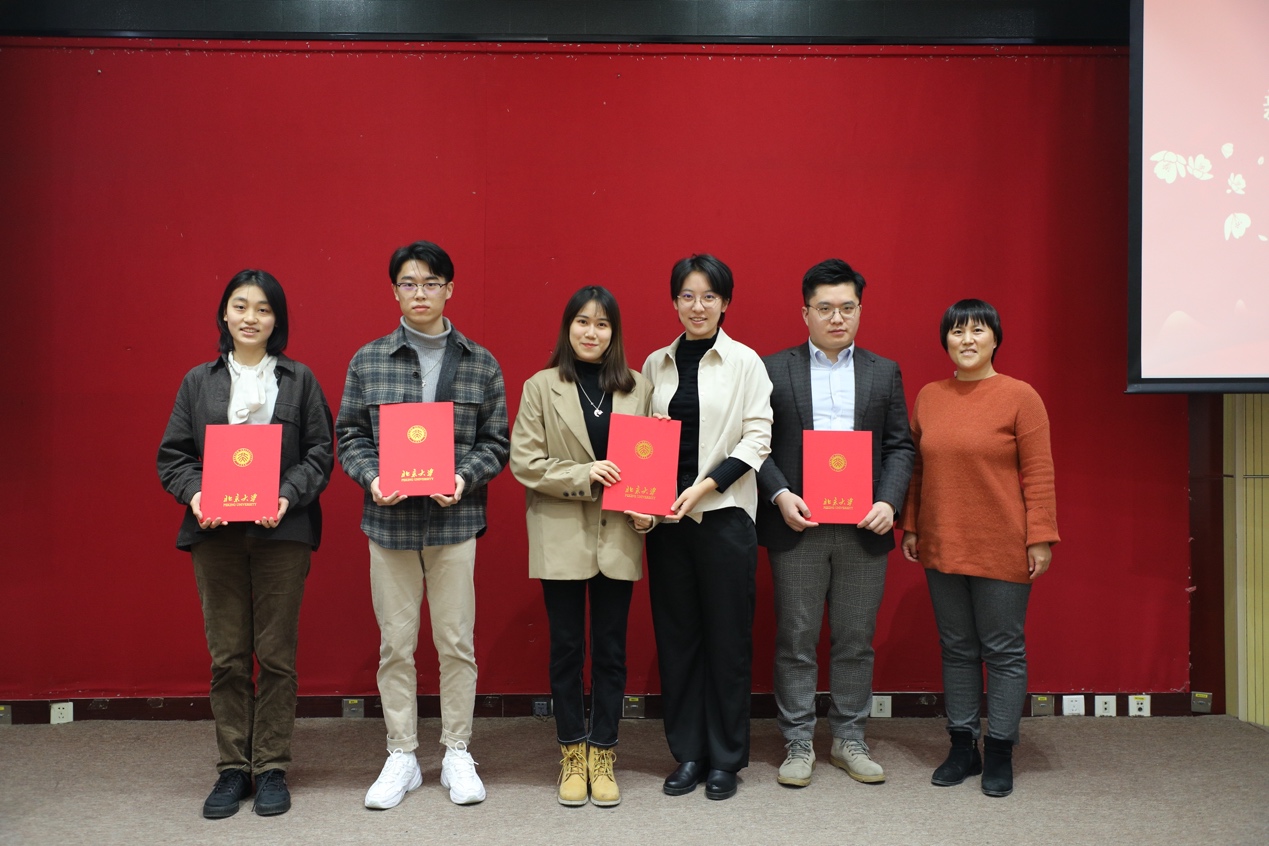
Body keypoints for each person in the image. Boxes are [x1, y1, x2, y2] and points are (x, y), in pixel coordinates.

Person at [336, 240, 509, 809]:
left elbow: (496, 443)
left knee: (456, 642)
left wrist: (462, 477)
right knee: (395, 645)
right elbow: (349, 436)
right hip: (389, 526)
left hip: (455, 522)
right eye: (408, 283)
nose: (420, 293)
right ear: (394, 291)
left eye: (431, 283)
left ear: (449, 289)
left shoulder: (480, 362)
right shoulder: (368, 360)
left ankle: (457, 750)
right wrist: (372, 477)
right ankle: (402, 755)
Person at [158, 269, 334, 819]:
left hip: (283, 532)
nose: (250, 317)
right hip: (216, 536)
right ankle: (233, 767)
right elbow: (174, 456)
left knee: (277, 656)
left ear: (277, 319)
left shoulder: (300, 380)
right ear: (224, 314)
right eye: (240, 306)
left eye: (263, 308)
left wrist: (286, 495)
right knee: (228, 657)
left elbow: (320, 452)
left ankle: (272, 765)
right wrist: (197, 495)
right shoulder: (198, 382)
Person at [755, 258, 914, 787]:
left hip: (864, 527)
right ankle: (798, 741)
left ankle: (849, 738)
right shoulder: (772, 369)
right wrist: (780, 494)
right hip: (797, 524)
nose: (837, 317)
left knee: (855, 639)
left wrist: (889, 502)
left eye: (847, 307)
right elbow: (756, 442)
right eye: (825, 308)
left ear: (860, 310)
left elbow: (900, 446)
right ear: (805, 313)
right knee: (796, 638)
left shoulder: (882, 371)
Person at [900, 298, 1058, 798]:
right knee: (957, 648)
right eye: (957, 331)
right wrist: (911, 526)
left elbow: (1039, 472)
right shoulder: (929, 396)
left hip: (1002, 543)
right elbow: (916, 470)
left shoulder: (1020, 396)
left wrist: (1040, 536)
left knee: (1004, 650)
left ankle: (1001, 749)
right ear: (945, 340)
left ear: (995, 339)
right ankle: (963, 745)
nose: (966, 339)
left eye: (977, 330)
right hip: (942, 540)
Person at [509, 286, 655, 807]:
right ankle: (572, 752)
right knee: (568, 650)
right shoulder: (540, 386)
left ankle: (604, 752)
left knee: (612, 652)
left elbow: (652, 462)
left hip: (619, 535)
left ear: (614, 333)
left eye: (602, 324)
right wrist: (584, 474)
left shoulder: (639, 387)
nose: (592, 333)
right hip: (561, 535)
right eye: (582, 322)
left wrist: (650, 508)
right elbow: (525, 462)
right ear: (567, 327)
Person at [641, 254, 773, 801]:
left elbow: (758, 438)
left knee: (727, 641)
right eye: (688, 296)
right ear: (674, 301)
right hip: (667, 524)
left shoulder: (745, 362)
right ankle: (689, 753)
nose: (698, 307)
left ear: (726, 303)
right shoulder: (655, 363)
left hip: (724, 518)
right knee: (678, 640)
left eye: (709, 297)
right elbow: (643, 439)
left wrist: (704, 488)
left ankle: (725, 759)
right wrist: (646, 497)